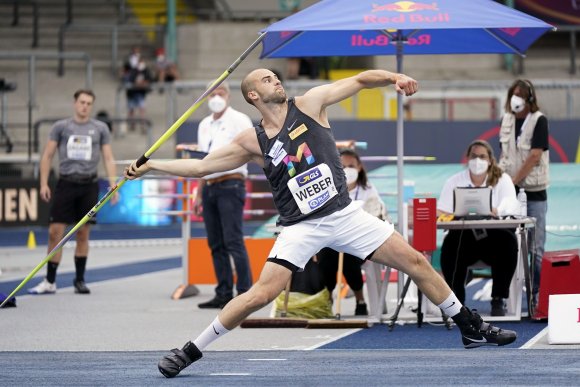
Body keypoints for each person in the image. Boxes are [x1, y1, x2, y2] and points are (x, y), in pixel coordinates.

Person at [125, 69, 517, 378]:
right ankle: (190, 350)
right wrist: (151, 166)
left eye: (274, 76)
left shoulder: (310, 104)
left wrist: (393, 78)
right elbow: (202, 166)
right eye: (265, 79)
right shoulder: (253, 140)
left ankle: (469, 326)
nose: (274, 80)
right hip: (300, 227)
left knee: (415, 261)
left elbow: (362, 81)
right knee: (261, 295)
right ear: (253, 96)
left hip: (345, 215)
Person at [29, 89, 118, 295]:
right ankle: (50, 281)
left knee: (83, 233)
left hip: (89, 185)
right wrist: (43, 183)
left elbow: (108, 157)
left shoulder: (100, 128)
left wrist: (113, 185)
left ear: (92, 106)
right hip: (66, 184)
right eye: (82, 102)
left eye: (89, 103)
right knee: (55, 233)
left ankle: (79, 279)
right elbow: (47, 156)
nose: (85, 106)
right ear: (74, 103)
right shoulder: (61, 127)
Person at [437, 140, 518, 316]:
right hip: (465, 240)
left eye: (482, 156)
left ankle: (498, 298)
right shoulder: (454, 181)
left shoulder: (502, 180)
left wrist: (497, 210)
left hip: (495, 239)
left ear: (490, 159)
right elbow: (441, 210)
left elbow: (511, 203)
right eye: (474, 156)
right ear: (467, 158)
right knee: (450, 245)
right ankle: (456, 301)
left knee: (509, 242)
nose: (477, 160)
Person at [193, 81, 254, 309]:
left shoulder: (239, 120)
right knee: (215, 243)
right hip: (209, 185)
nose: (216, 97)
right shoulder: (204, 125)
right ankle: (223, 291)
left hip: (231, 183)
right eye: (212, 93)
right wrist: (199, 194)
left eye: (220, 92)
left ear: (228, 95)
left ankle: (244, 293)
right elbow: (203, 161)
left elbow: (250, 150)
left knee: (233, 241)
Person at [317, 148, 387, 316]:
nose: (348, 169)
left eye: (351, 165)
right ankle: (328, 299)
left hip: (359, 240)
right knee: (326, 258)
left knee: (349, 259)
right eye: (343, 166)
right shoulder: (328, 188)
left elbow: (376, 214)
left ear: (359, 167)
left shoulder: (368, 190)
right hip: (332, 240)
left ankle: (360, 299)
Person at [498, 79, 549, 305]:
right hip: (509, 193)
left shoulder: (539, 120)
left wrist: (514, 181)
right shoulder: (506, 120)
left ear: (529, 98)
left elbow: (535, 155)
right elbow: (503, 155)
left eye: (519, 94)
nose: (515, 99)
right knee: (505, 242)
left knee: (536, 247)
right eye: (512, 94)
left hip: (534, 191)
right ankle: (502, 295)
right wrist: (500, 183)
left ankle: (536, 295)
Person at [122, 58, 153, 132]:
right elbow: (131, 80)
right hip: (132, 94)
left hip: (140, 94)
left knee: (142, 109)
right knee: (131, 110)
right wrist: (137, 83)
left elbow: (150, 80)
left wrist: (144, 83)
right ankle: (132, 125)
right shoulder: (133, 71)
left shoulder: (146, 71)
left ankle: (143, 125)